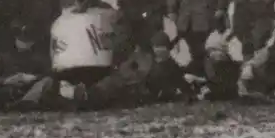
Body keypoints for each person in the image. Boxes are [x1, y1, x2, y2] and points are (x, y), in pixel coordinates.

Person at [63, 30, 194, 110]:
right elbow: (129, 68)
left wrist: (187, 93)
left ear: (167, 49)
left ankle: (85, 97)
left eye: (161, 47)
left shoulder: (170, 66)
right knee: (110, 85)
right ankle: (85, 95)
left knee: (112, 93)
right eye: (156, 47)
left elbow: (179, 83)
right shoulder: (146, 58)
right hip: (126, 81)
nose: (158, 50)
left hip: (137, 92)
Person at [0, 25, 57, 111]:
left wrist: (33, 78)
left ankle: (26, 102)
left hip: (28, 90)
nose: (23, 44)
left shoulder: (38, 59)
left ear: (32, 43)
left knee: (48, 81)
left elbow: (48, 75)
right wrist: (6, 80)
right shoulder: (4, 57)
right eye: (20, 40)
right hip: (7, 89)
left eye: (26, 41)